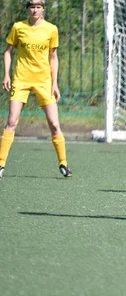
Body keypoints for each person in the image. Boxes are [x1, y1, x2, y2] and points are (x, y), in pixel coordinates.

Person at [0, 0, 72, 179]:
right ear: (27, 8)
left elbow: (53, 57)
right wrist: (7, 75)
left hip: (44, 81)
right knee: (12, 121)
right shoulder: (18, 27)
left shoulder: (51, 29)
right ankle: (1, 163)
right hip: (21, 79)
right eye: (32, 6)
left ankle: (63, 164)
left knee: (54, 124)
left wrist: (55, 83)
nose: (35, 10)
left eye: (38, 6)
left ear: (43, 9)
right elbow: (8, 51)